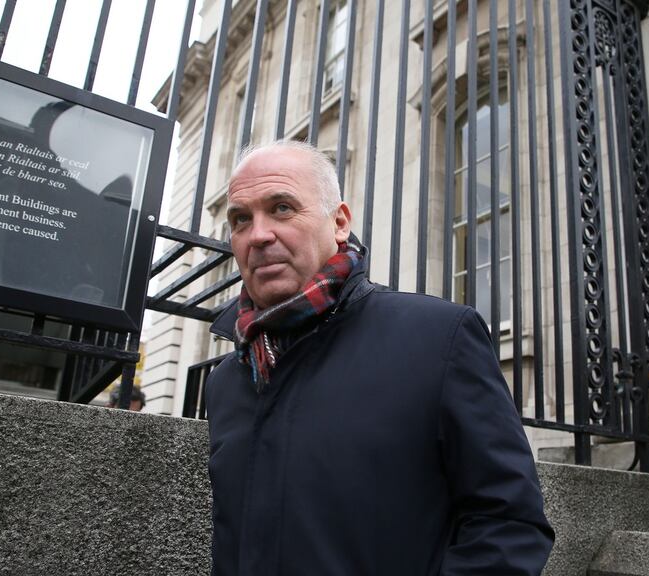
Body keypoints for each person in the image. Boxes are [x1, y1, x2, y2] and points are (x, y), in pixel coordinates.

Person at [204, 140, 553, 575]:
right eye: (241, 219)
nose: (258, 234)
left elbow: (509, 525)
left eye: (282, 208)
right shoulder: (227, 381)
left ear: (339, 223)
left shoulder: (438, 339)